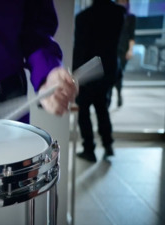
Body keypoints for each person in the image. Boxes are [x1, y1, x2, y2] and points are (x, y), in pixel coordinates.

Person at [73, 0, 126, 162]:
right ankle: (108, 144)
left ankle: (89, 149)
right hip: (108, 70)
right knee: (102, 108)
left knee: (83, 112)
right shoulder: (118, 14)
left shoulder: (83, 17)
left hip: (88, 73)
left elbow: (80, 48)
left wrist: (75, 74)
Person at [115, 0, 136, 107]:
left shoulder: (131, 17)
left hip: (123, 49)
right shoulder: (112, 16)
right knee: (111, 74)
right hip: (112, 49)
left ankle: (118, 94)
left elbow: (131, 36)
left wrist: (130, 50)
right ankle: (110, 96)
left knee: (119, 74)